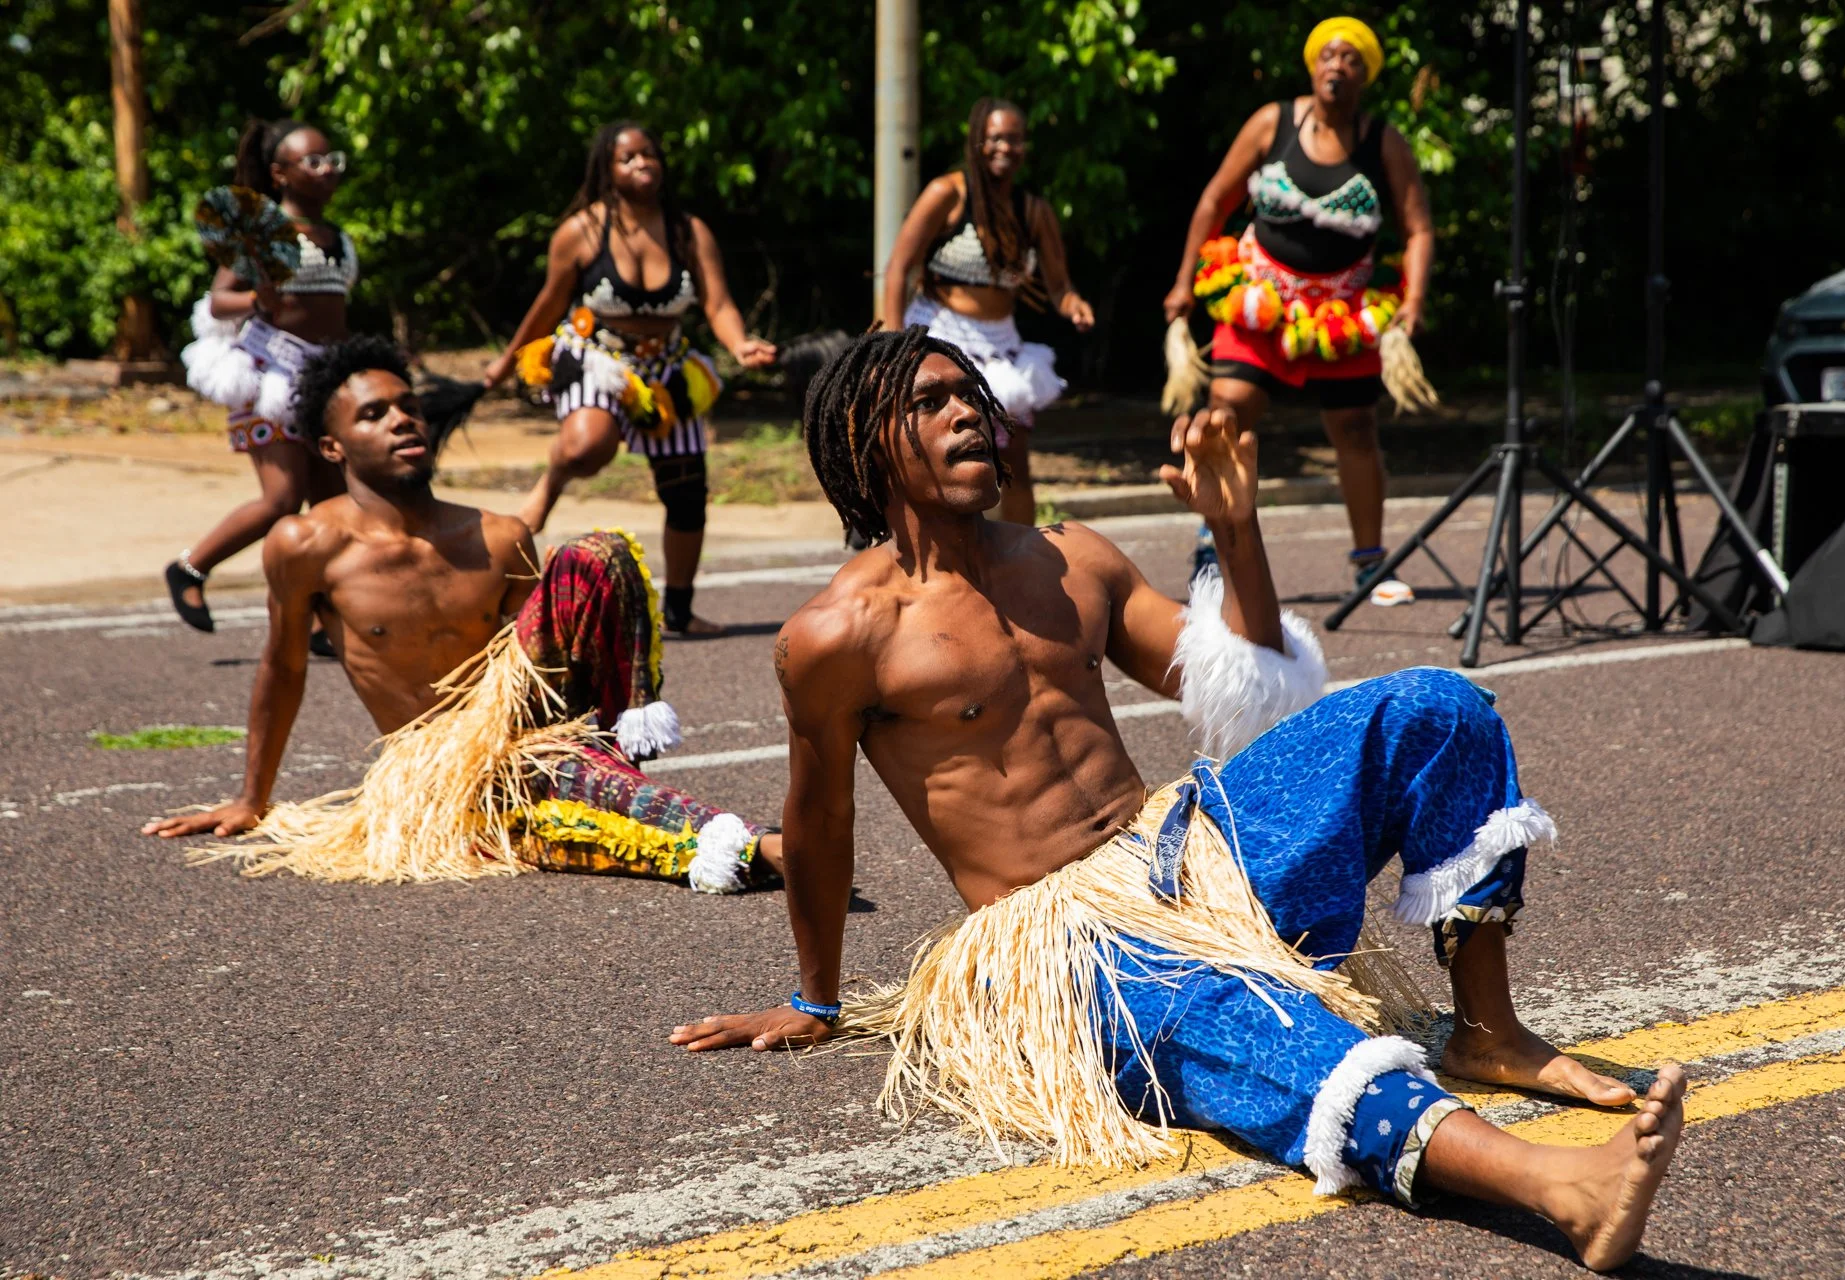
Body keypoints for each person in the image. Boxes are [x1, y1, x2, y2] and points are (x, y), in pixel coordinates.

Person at [671, 329, 1684, 1273]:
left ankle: (1488, 1029)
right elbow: (819, 822)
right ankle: (1552, 1182)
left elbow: (1241, 682)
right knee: (1250, 1023)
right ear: (865, 443)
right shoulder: (836, 633)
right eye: (932, 403)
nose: (967, 413)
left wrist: (1234, 532)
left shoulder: (1069, 557)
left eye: (972, 395)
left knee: (1436, 707)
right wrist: (815, 998)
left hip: (1189, 857)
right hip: (1069, 943)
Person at [145, 336, 782, 892]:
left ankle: (631, 771)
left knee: (599, 554)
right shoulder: (306, 544)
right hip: (447, 778)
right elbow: (284, 666)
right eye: (375, 414)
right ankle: (752, 845)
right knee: (569, 802)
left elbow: (549, 668)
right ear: (333, 448)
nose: (403, 421)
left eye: (410, 408)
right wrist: (252, 799)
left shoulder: (498, 536)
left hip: (537, 741)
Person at [1164, 17, 1434, 603]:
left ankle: (1369, 565)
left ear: (1366, 75)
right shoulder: (1273, 122)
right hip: (1260, 302)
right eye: (1328, 55)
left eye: (1352, 58)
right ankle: (1214, 547)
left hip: (1343, 313)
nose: (1338, 65)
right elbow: (1216, 199)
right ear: (1313, 65)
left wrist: (1412, 302)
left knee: (1356, 428)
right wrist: (1184, 281)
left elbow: (1417, 228)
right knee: (1226, 411)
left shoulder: (1382, 140)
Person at [483, 121, 778, 636]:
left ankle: (681, 610)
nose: (643, 164)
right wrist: (507, 361)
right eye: (628, 158)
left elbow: (718, 303)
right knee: (587, 448)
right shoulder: (581, 232)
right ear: (607, 170)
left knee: (686, 491)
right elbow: (548, 304)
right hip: (598, 358)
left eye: (649, 154)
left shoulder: (689, 231)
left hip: (667, 368)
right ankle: (552, 481)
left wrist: (739, 344)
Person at [172, 118, 355, 637]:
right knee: (281, 498)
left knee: (334, 501)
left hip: (322, 382)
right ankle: (189, 567)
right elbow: (218, 299)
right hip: (269, 378)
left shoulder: (339, 237)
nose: (326, 172)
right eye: (313, 163)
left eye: (332, 161)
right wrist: (257, 299)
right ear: (280, 174)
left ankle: (323, 619)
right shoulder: (266, 233)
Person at [881, 96, 1095, 525]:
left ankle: (1021, 559)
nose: (1005, 147)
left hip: (1002, 344)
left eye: (1015, 139)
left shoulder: (1033, 211)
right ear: (978, 142)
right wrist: (889, 337)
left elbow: (1059, 286)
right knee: (940, 445)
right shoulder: (947, 194)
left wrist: (1074, 305)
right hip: (939, 332)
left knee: (1011, 452)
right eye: (996, 138)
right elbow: (899, 268)